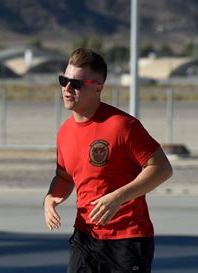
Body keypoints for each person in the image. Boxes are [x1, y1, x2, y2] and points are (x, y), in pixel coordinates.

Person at [43, 48, 173, 273]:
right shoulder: (64, 132)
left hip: (127, 240)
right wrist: (50, 199)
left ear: (97, 87)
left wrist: (118, 197)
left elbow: (161, 168)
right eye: (63, 80)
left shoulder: (122, 125)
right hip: (84, 238)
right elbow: (64, 176)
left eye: (76, 83)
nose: (67, 88)